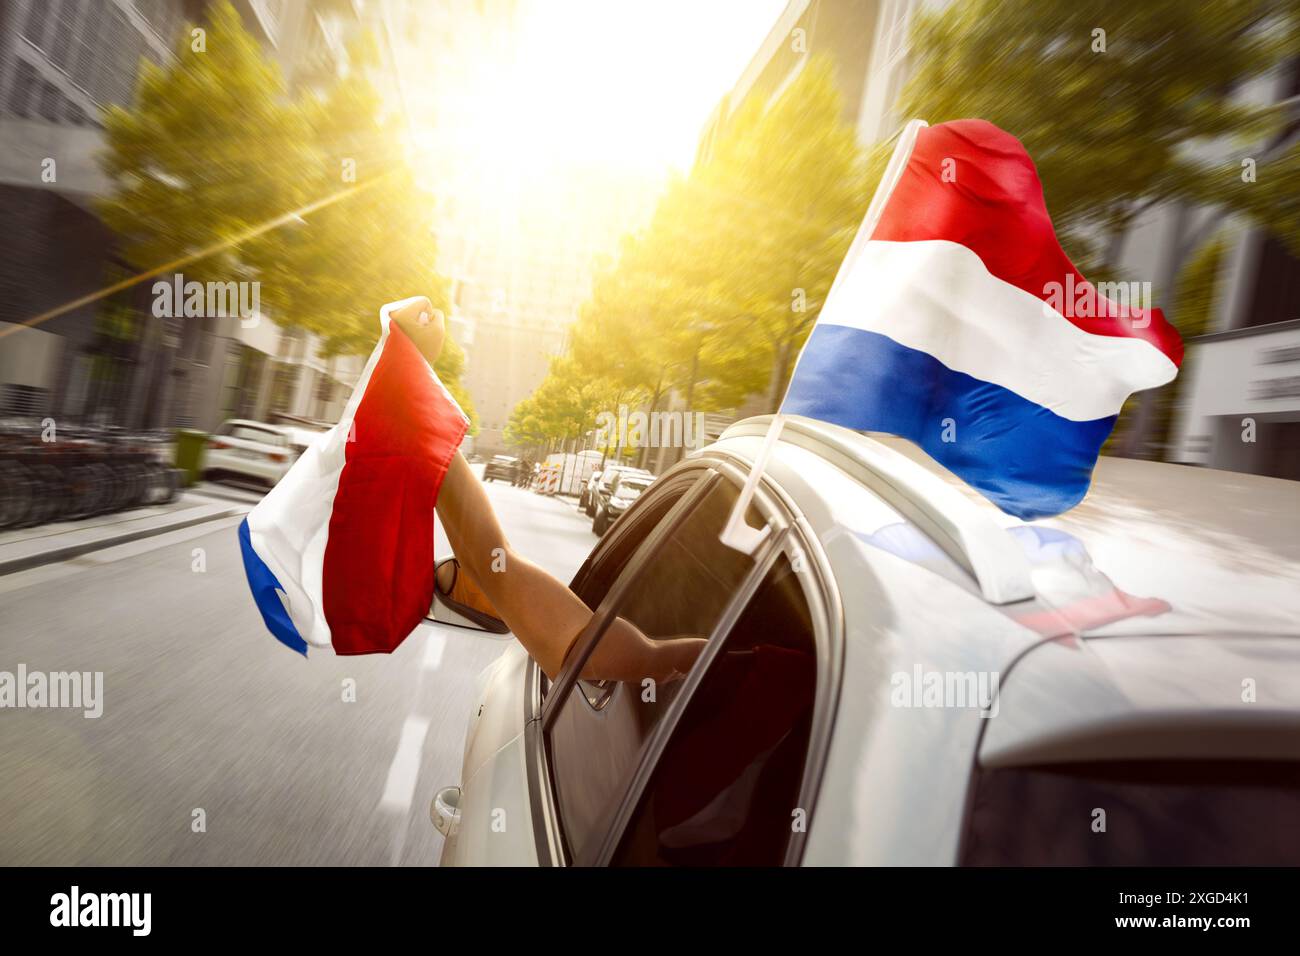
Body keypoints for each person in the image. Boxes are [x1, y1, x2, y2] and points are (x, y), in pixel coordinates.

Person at [391, 297, 705, 685]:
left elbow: (489, 566)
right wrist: (416, 383)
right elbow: (486, 566)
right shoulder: (757, 668)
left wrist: (415, 381)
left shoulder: (744, 667)